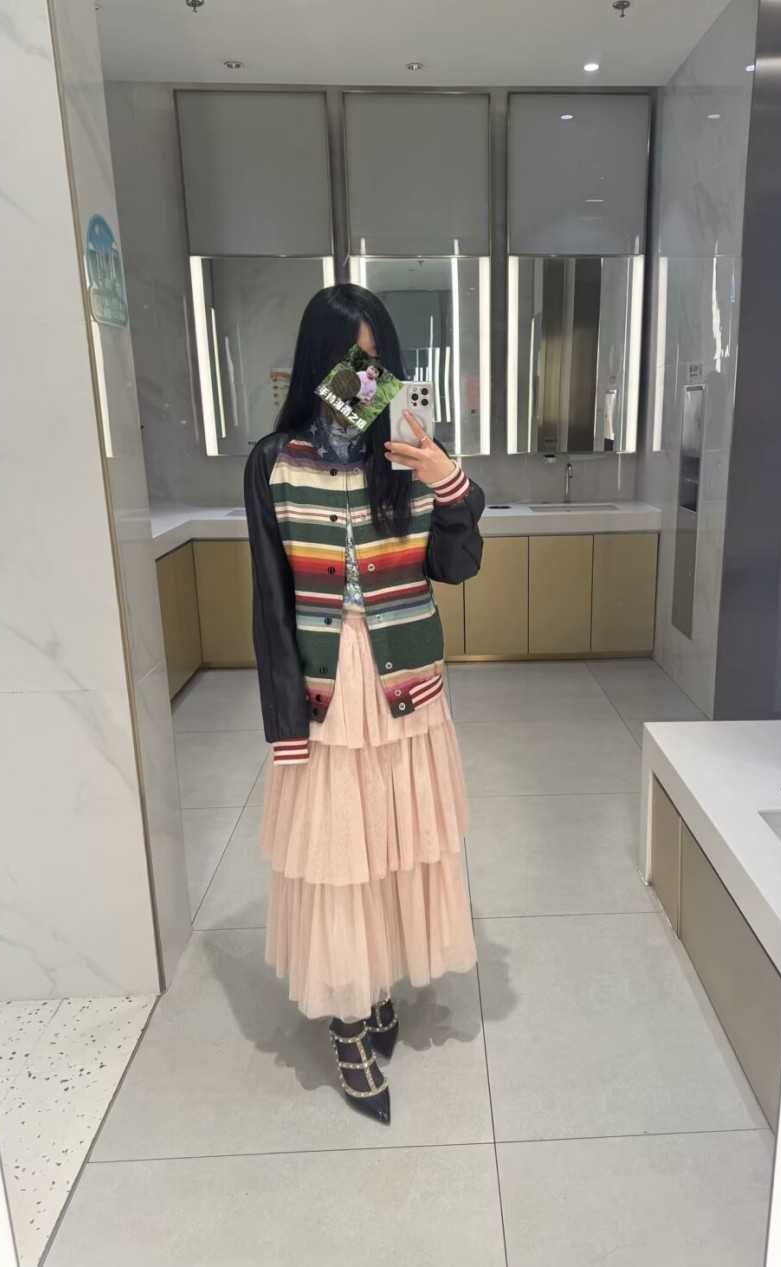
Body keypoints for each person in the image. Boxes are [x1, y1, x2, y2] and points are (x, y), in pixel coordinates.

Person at [243, 284, 484, 1125]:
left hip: (407, 682)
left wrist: (450, 482)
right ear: (319, 364)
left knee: (392, 843)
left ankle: (376, 984)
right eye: (352, 361)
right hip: (327, 690)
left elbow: (456, 566)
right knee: (340, 851)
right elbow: (270, 604)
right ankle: (348, 1019)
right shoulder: (273, 463)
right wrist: (284, 724)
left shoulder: (410, 451)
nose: (366, 379)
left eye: (378, 362)